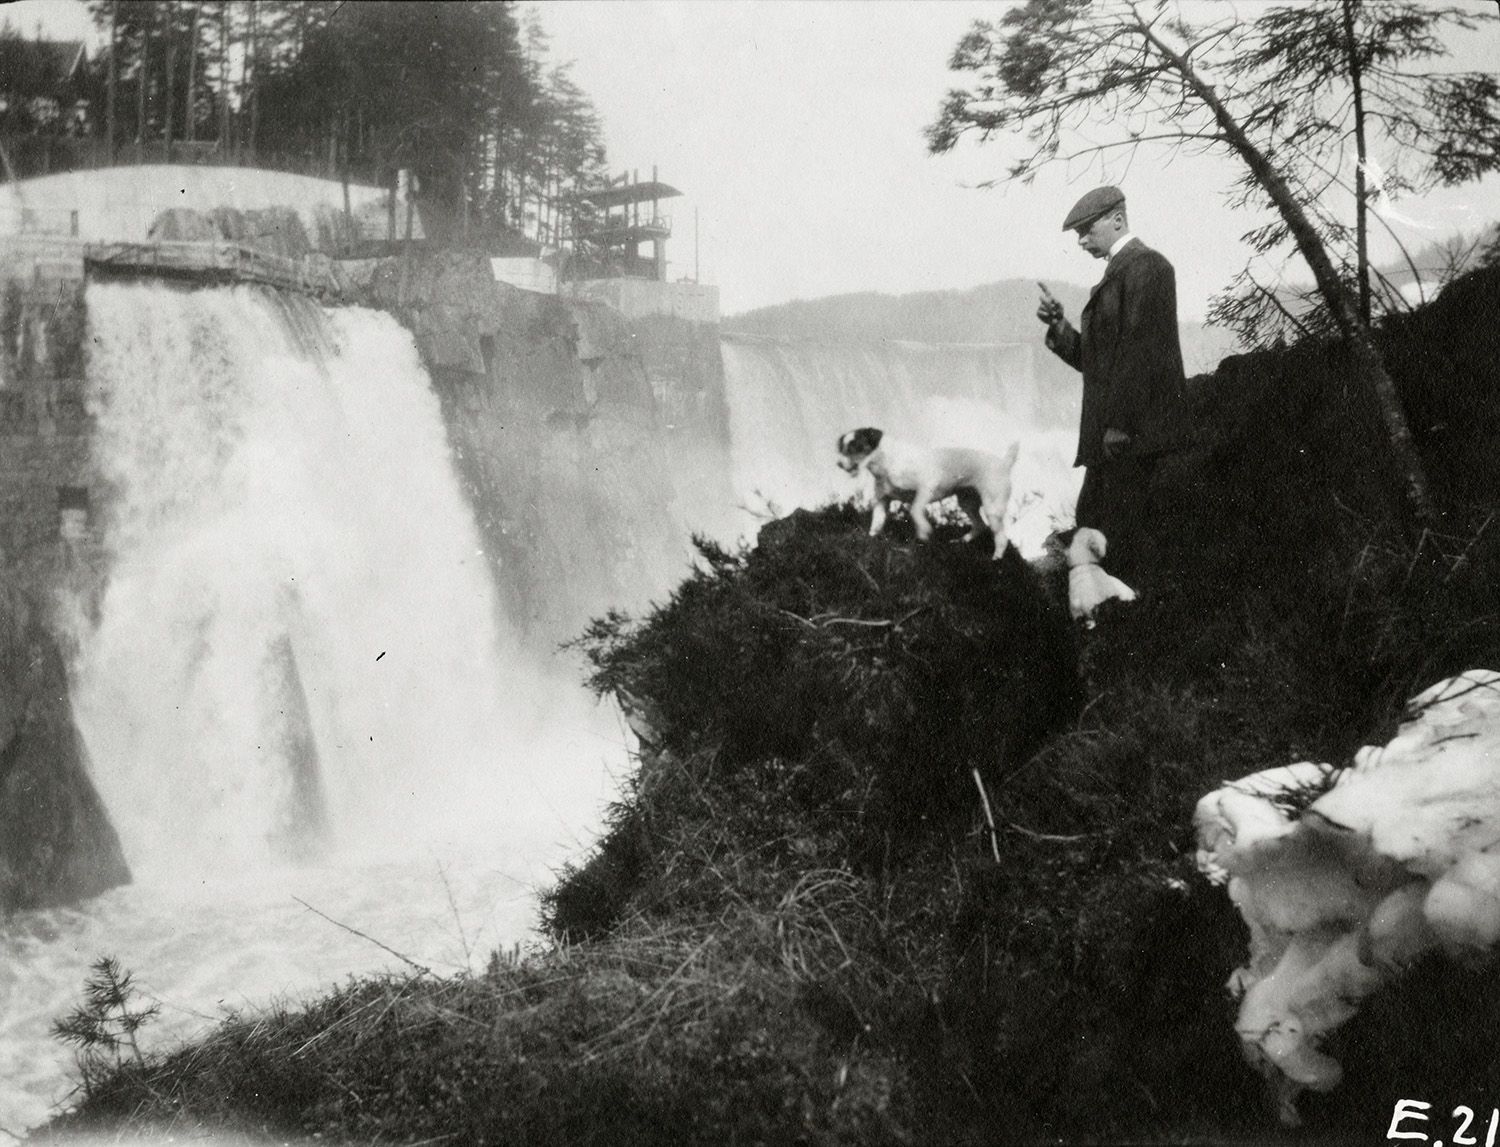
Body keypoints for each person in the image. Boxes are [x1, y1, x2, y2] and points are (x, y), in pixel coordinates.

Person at [1036, 185, 1185, 582]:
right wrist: (1059, 327)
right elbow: (1097, 362)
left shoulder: (1147, 268)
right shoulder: (1123, 272)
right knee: (1098, 535)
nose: (1082, 240)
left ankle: (1124, 628)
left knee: (1122, 543)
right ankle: (1110, 626)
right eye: (1077, 234)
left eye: (1087, 229)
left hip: (1133, 439)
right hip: (1114, 442)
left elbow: (1139, 354)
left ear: (1118, 219)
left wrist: (1119, 423)